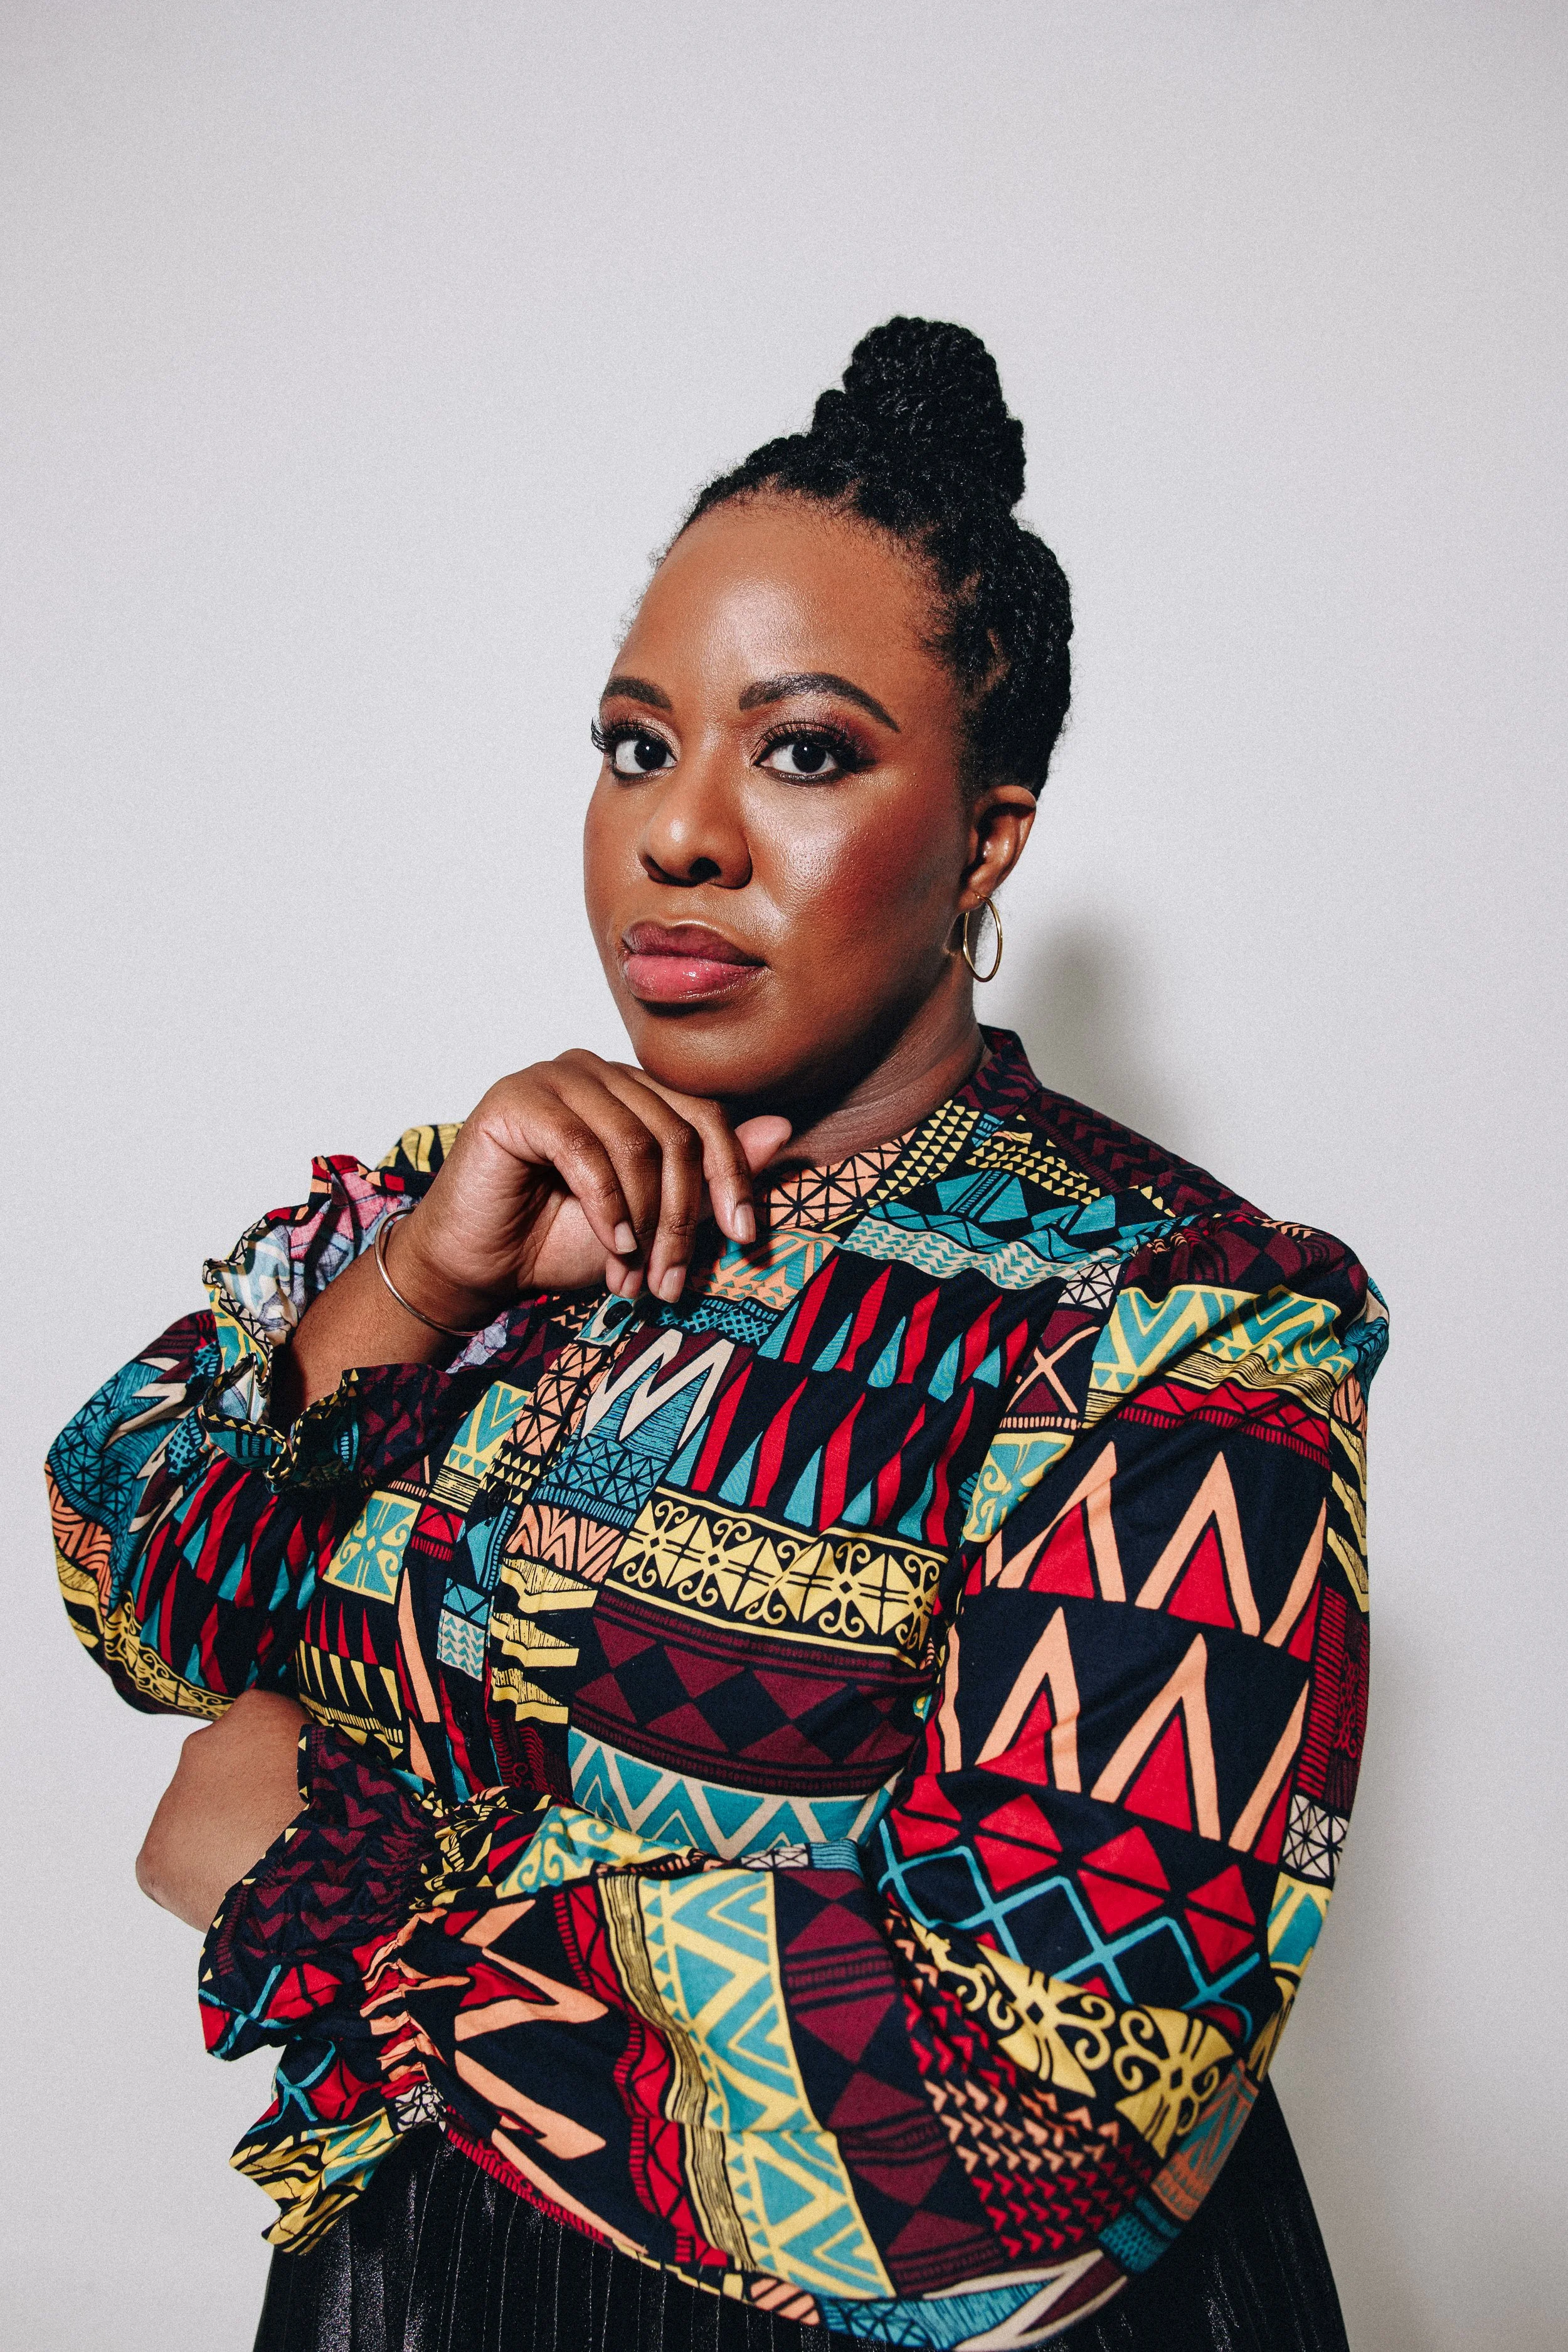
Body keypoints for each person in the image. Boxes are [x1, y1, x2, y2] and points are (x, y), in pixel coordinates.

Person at [48, 319, 1385, 2352]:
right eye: (632, 742)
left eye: (808, 749)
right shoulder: (476, 1198)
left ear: (989, 833)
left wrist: (338, 1879)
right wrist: (422, 1280)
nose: (679, 833)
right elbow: (136, 1594)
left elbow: (1029, 2127)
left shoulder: (1172, 1324)